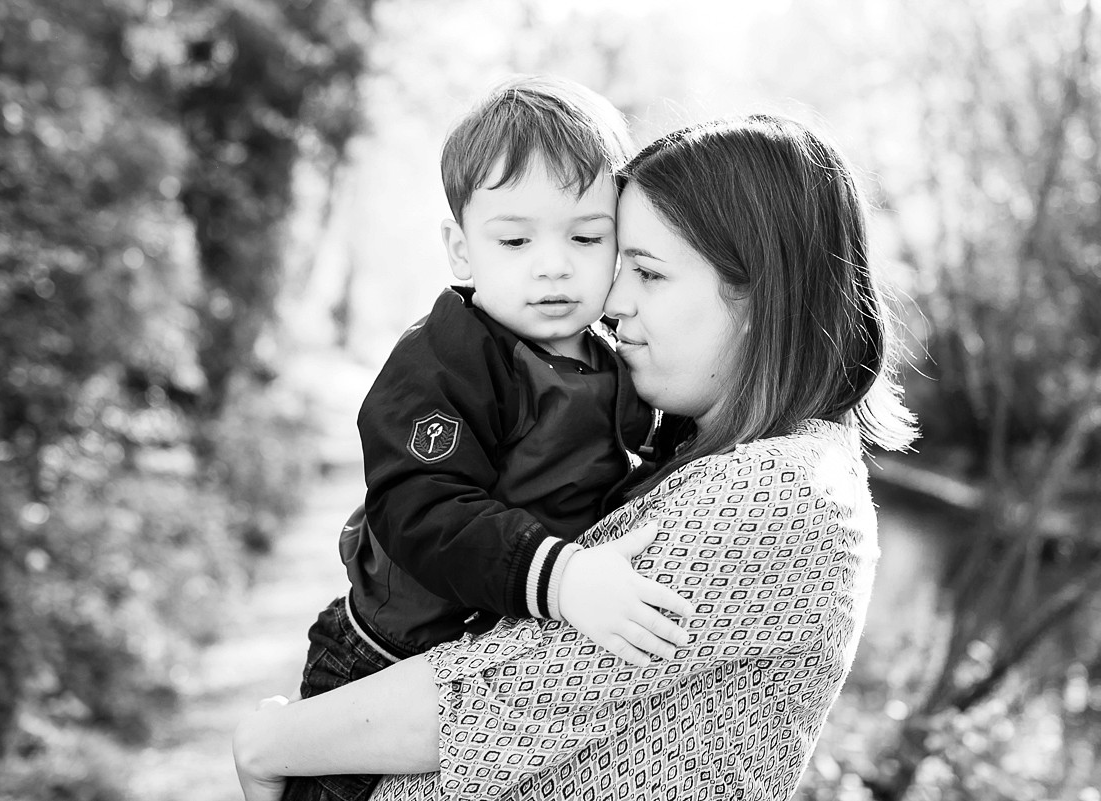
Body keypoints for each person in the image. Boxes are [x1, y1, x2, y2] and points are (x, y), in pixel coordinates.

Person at [235, 113, 917, 801]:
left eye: (646, 271)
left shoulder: (776, 493)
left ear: (761, 295)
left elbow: (499, 698)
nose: (612, 300)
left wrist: (275, 744)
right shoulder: (698, 445)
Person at [287, 75, 693, 801]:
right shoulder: (448, 358)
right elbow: (421, 507)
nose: (553, 263)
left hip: (489, 667)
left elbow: (633, 464)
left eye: (586, 235)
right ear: (463, 250)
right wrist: (562, 577)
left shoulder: (615, 356)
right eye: (514, 238)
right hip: (380, 657)